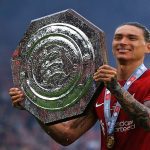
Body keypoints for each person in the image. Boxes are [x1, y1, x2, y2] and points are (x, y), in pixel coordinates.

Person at [9, 22, 150, 150]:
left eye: (132, 38)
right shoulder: (100, 85)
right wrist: (31, 105)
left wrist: (116, 89)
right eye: (118, 37)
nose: (123, 42)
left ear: (148, 47)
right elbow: (67, 135)